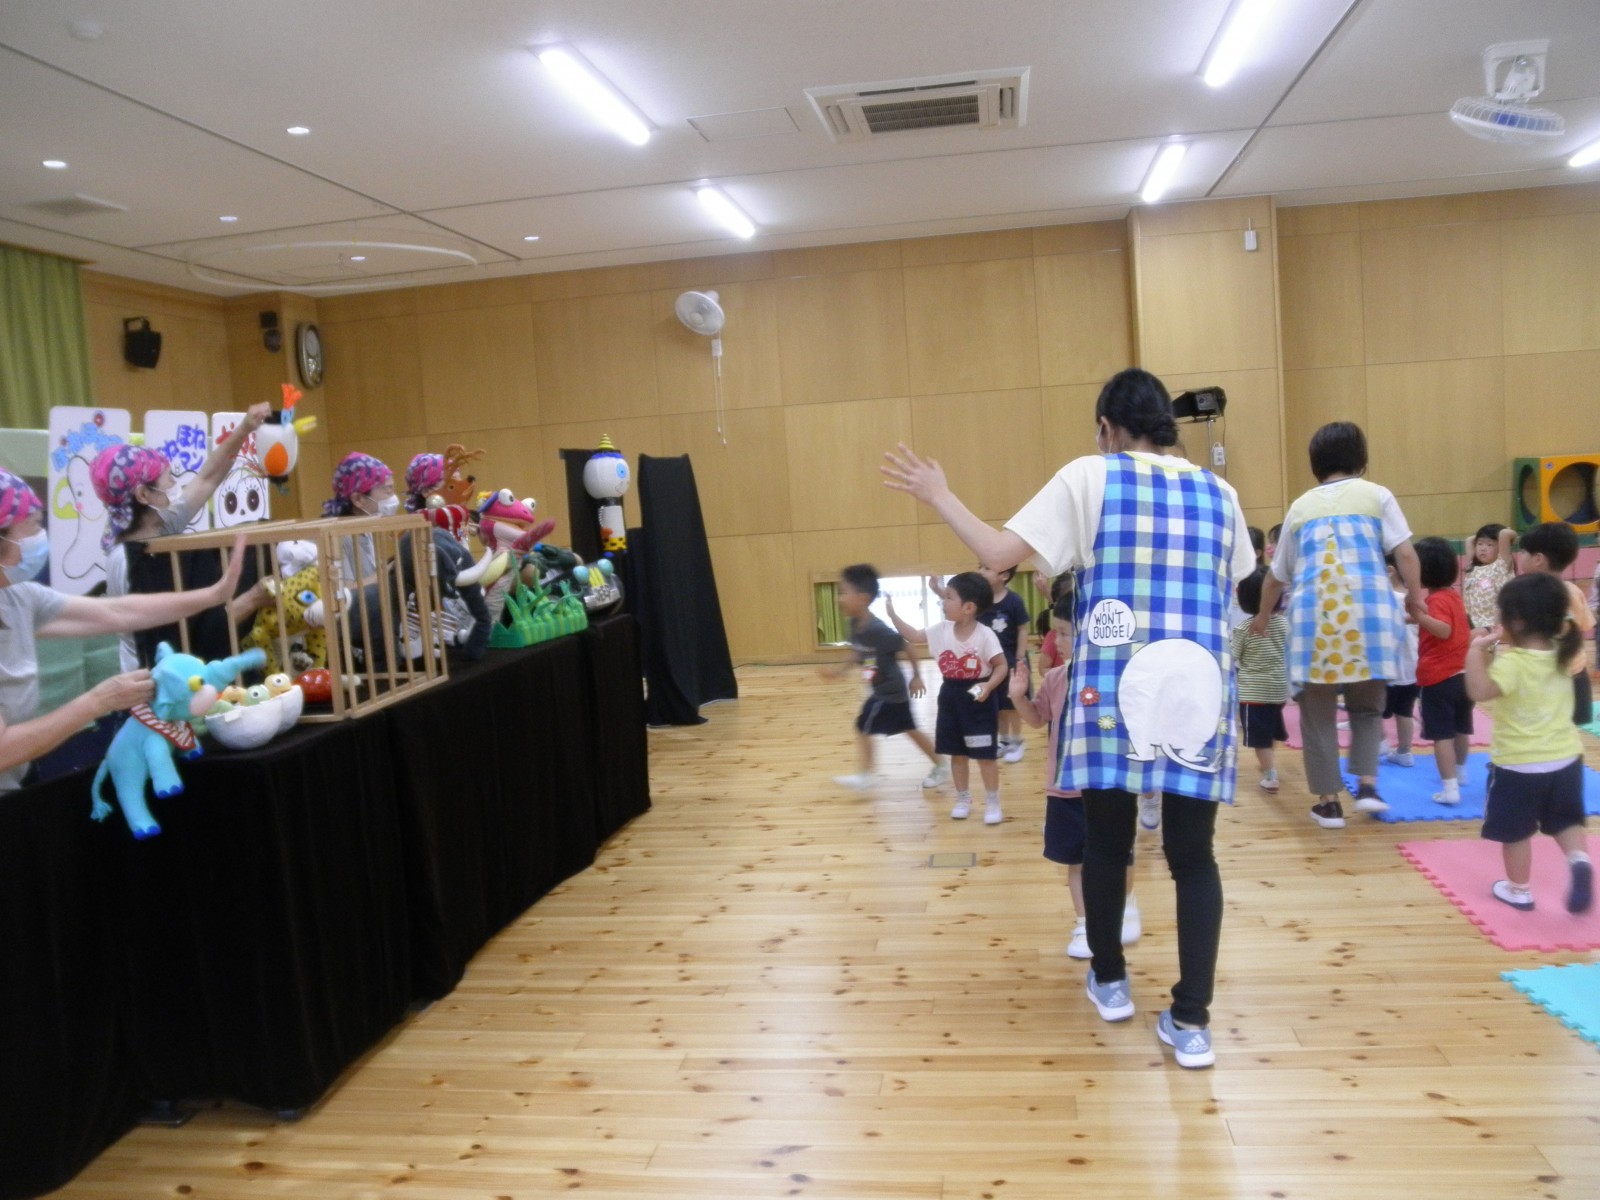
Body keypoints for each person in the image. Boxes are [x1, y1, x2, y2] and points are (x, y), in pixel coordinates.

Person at [884, 367, 1256, 1070]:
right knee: (1194, 856)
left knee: (1107, 843)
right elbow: (1237, 581)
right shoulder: (1221, 492)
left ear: (1108, 428)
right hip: (1198, 688)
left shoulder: (1093, 474)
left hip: (1116, 688)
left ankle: (1110, 980)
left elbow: (996, 555)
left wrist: (938, 494)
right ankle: (1192, 1021)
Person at [0, 469, 249, 792]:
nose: (40, 535)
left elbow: (119, 611)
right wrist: (99, 700)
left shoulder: (18, 598)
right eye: (33, 526)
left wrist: (213, 595)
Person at [1255, 422, 1423, 829]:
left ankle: (1329, 804)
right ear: (1361, 459)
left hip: (1315, 623)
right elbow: (1405, 554)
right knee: (1367, 708)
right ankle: (1366, 786)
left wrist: (1262, 616)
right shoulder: (1377, 495)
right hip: (1372, 620)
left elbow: (1277, 576)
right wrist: (1415, 597)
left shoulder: (1301, 507)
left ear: (1315, 463)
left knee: (1317, 717)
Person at [93, 404, 272, 670]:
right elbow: (187, 633)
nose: (174, 485)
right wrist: (254, 597)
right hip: (156, 678)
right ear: (144, 495)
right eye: (168, 480)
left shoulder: (163, 525)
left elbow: (208, 478)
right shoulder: (131, 561)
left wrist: (244, 428)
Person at [1464, 572, 1592, 914]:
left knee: (1516, 831)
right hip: (1566, 759)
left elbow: (1479, 691)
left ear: (1516, 621)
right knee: (1565, 821)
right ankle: (1579, 860)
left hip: (1519, 765)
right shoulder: (1562, 653)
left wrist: (1475, 651)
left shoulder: (1515, 663)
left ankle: (1519, 890)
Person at [1009, 638, 1141, 960]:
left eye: (1066, 633)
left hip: (1111, 785)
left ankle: (1125, 907)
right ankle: (1084, 925)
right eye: (1057, 633)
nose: (1059, 641)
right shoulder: (1056, 678)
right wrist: (1017, 696)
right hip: (1065, 788)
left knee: (1119, 855)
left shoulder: (1119, 674)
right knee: (1076, 860)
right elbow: (1037, 718)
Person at [886, 572, 1007, 825]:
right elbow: (914, 635)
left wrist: (988, 685)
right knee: (957, 753)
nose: (943, 601)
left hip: (978, 700)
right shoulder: (941, 630)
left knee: (985, 755)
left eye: (949, 597)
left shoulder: (985, 635)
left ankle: (992, 801)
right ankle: (963, 798)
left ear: (968, 608)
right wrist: (893, 615)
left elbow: (1001, 666)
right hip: (950, 696)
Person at [824, 563, 943, 791]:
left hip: (889, 692)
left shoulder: (877, 629)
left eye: (844, 592)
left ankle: (865, 775)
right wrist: (839, 671)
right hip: (885, 690)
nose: (840, 598)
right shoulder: (854, 624)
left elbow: (908, 647)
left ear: (862, 598)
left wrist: (917, 677)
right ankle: (941, 765)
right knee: (910, 729)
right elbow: (857, 651)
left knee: (863, 725)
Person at [1412, 536, 1474, 806]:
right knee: (1461, 729)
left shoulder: (1436, 600)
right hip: (1462, 676)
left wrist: (1419, 616)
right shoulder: (1452, 596)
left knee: (1442, 736)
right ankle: (1460, 773)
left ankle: (1449, 788)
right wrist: (1412, 617)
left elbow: (1443, 629)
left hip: (1439, 679)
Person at [1515, 521, 1595, 727]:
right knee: (1569, 734)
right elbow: (1585, 626)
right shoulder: (1573, 591)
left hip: (1545, 680)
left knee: (1543, 733)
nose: (1520, 556)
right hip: (1576, 675)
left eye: (1523, 552)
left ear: (1538, 559)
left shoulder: (1526, 594)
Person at [1230, 566, 1289, 794]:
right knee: (1269, 730)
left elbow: (1233, 656)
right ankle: (1268, 765)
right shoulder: (1284, 624)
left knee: (1259, 739)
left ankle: (1270, 775)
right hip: (1279, 690)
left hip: (1253, 694)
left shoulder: (1244, 628)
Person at [977, 563, 1031, 763]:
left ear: (1004, 575)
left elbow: (1023, 629)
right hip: (991, 663)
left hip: (1011, 660)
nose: (981, 572)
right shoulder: (980, 601)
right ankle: (1004, 740)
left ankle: (1016, 741)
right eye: (980, 567)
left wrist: (1020, 656)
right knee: (998, 706)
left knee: (1012, 704)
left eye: (987, 568)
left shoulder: (1014, 601)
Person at [1380, 553, 1421, 768]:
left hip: (1389, 668)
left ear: (1389, 571)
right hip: (1412, 668)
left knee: (1373, 709)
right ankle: (1405, 751)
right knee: (1404, 712)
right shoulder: (1413, 599)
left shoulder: (1387, 598)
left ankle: (1379, 742)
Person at [1462, 523, 1516, 633]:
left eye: (1489, 545)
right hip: (1472, 622)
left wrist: (1509, 534)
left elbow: (1505, 534)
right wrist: (1485, 535)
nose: (1483, 549)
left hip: (1492, 625)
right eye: (1480, 544)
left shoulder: (1501, 566)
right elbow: (1469, 540)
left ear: (1500, 547)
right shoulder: (1473, 566)